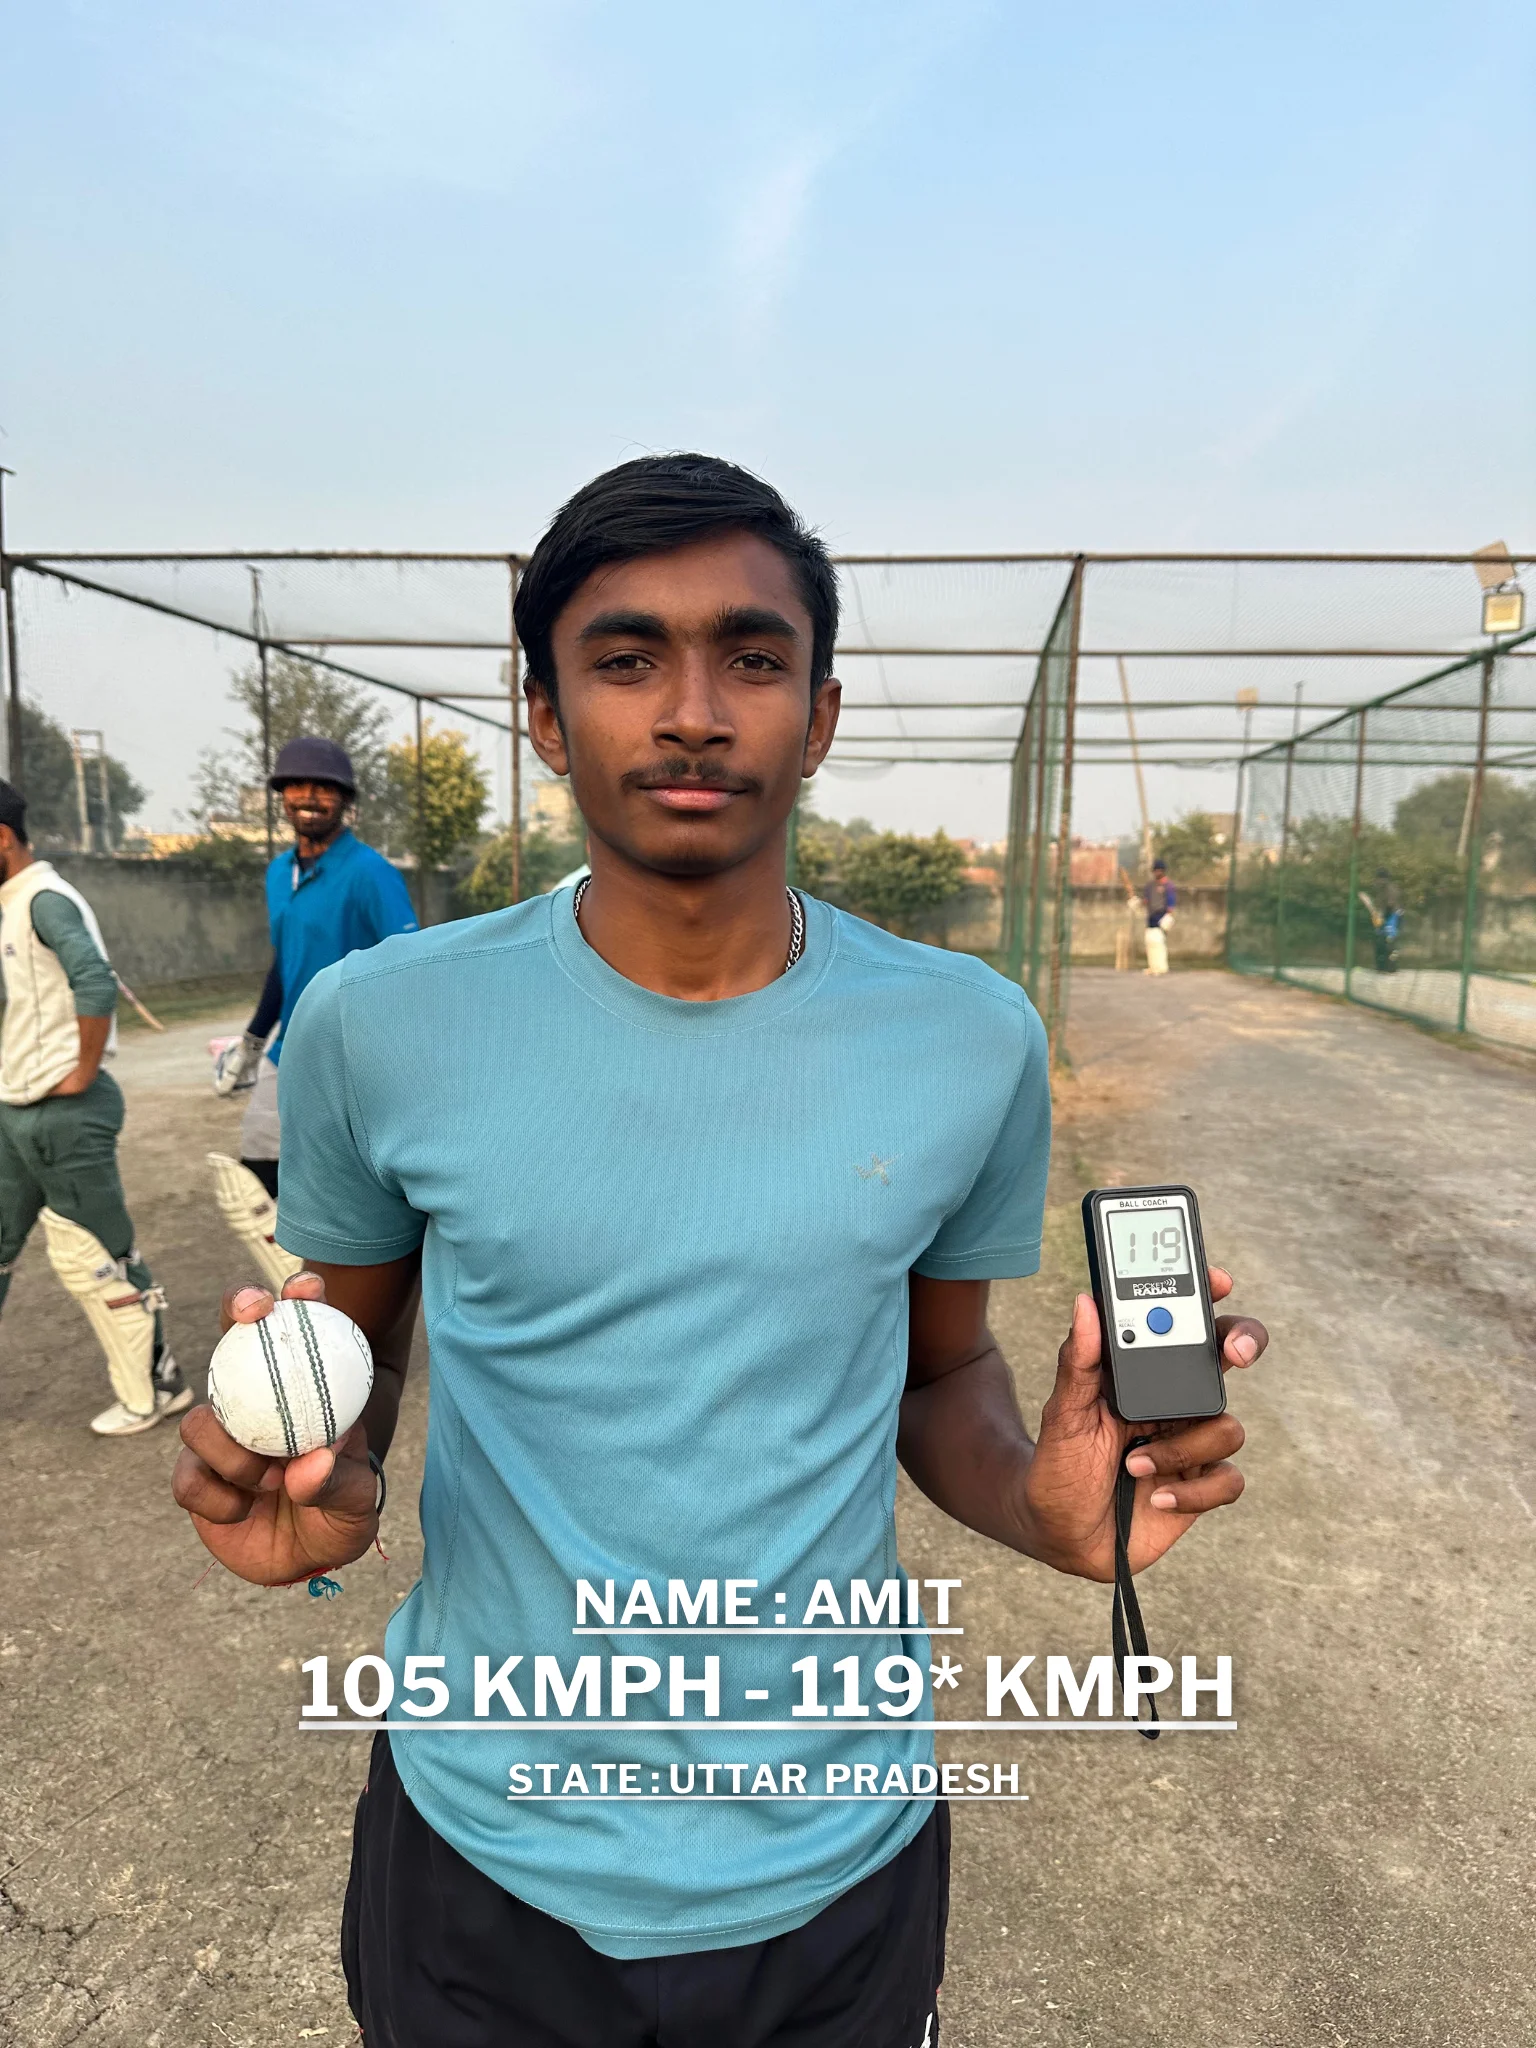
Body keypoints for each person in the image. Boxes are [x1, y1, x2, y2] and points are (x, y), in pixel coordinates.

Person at [173, 456, 1269, 2046]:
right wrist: (324, 1484)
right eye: (626, 660)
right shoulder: (381, 1027)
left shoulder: (968, 1039)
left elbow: (941, 1365)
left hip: (840, 1856)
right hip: (488, 1832)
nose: (693, 712)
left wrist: (1046, 1506)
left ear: (818, 715)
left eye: (753, 659)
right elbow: (359, 1348)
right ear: (545, 714)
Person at [0, 779, 189, 1435]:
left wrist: (80, 1072)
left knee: (104, 1254)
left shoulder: (43, 901)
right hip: (16, 1109)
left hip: (64, 1113)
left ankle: (155, 1387)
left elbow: (93, 980)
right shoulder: (10, 902)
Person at [208, 736, 418, 1278]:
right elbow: (285, 961)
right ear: (281, 797)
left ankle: (344, 1271)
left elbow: (405, 964)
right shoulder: (280, 873)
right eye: (296, 785)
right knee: (258, 1158)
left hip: (354, 1048)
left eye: (324, 788)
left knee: (354, 1175)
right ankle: (301, 1272)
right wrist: (253, 1043)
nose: (308, 796)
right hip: (290, 1044)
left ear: (345, 801)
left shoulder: (371, 873)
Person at [1143, 856, 1176, 974]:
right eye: (1155, 870)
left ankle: (1161, 967)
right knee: (1150, 942)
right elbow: (1145, 901)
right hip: (1151, 915)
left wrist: (1168, 916)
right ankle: (1152, 966)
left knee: (1158, 942)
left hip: (1162, 915)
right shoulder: (1150, 885)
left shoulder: (1169, 886)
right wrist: (1136, 902)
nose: (1157, 872)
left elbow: (1171, 904)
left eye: (1159, 870)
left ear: (1163, 871)